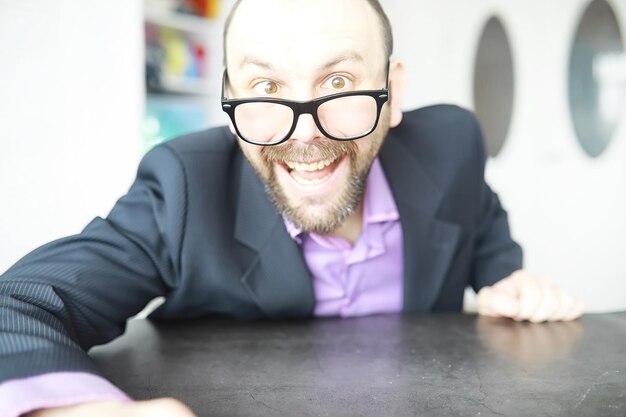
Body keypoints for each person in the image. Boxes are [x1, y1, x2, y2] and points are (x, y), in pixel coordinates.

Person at [0, 0, 583, 416]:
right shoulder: (183, 187)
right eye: (267, 89)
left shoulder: (451, 144)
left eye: (337, 82)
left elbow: (479, 214)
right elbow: (19, 305)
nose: (304, 134)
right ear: (231, 96)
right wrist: (69, 408)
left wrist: (505, 276)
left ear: (393, 91)